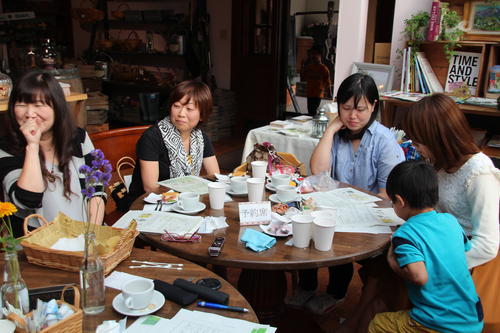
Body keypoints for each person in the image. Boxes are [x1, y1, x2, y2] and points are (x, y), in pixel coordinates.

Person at [338, 93, 500, 333]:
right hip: (434, 243)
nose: (414, 146)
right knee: (379, 265)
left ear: (437, 137)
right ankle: (361, 321)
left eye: (418, 140)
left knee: (390, 271)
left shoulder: (479, 173)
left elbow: (487, 245)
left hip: (458, 260)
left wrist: (439, 264)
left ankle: (373, 321)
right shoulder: (442, 164)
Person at [285, 73, 405, 315]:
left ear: (373, 106)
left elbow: (386, 196)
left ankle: (335, 292)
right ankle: (307, 285)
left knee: (334, 232)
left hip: (371, 218)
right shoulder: (339, 134)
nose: (352, 116)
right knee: (305, 221)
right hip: (334, 206)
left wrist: (351, 209)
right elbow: (318, 172)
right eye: (346, 107)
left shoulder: (385, 141)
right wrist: (330, 130)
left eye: (360, 109)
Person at [369, 160, 484, 333]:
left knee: (378, 324)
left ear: (400, 201)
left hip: (439, 322)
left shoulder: (405, 234)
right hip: (473, 317)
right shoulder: (450, 221)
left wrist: (392, 261)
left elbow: (419, 276)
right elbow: (465, 249)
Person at [0, 70, 106, 236]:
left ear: (57, 107)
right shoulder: (6, 149)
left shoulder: (78, 137)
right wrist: (32, 146)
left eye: (39, 104)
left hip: (84, 239)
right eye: (21, 104)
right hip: (36, 248)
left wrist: (92, 235)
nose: (29, 113)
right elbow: (27, 200)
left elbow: (97, 189)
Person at [127, 80, 220, 204]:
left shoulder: (201, 138)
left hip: (185, 202)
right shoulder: (151, 137)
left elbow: (215, 176)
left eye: (189, 109)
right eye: (177, 106)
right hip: (148, 204)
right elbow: (150, 188)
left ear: (202, 115)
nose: (181, 114)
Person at [301, 47, 331, 116]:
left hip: (318, 93)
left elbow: (328, 82)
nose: (313, 56)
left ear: (320, 56)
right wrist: (302, 66)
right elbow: (303, 78)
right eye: (312, 54)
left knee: (314, 110)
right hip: (310, 93)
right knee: (310, 110)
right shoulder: (309, 67)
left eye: (315, 54)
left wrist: (329, 93)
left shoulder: (324, 69)